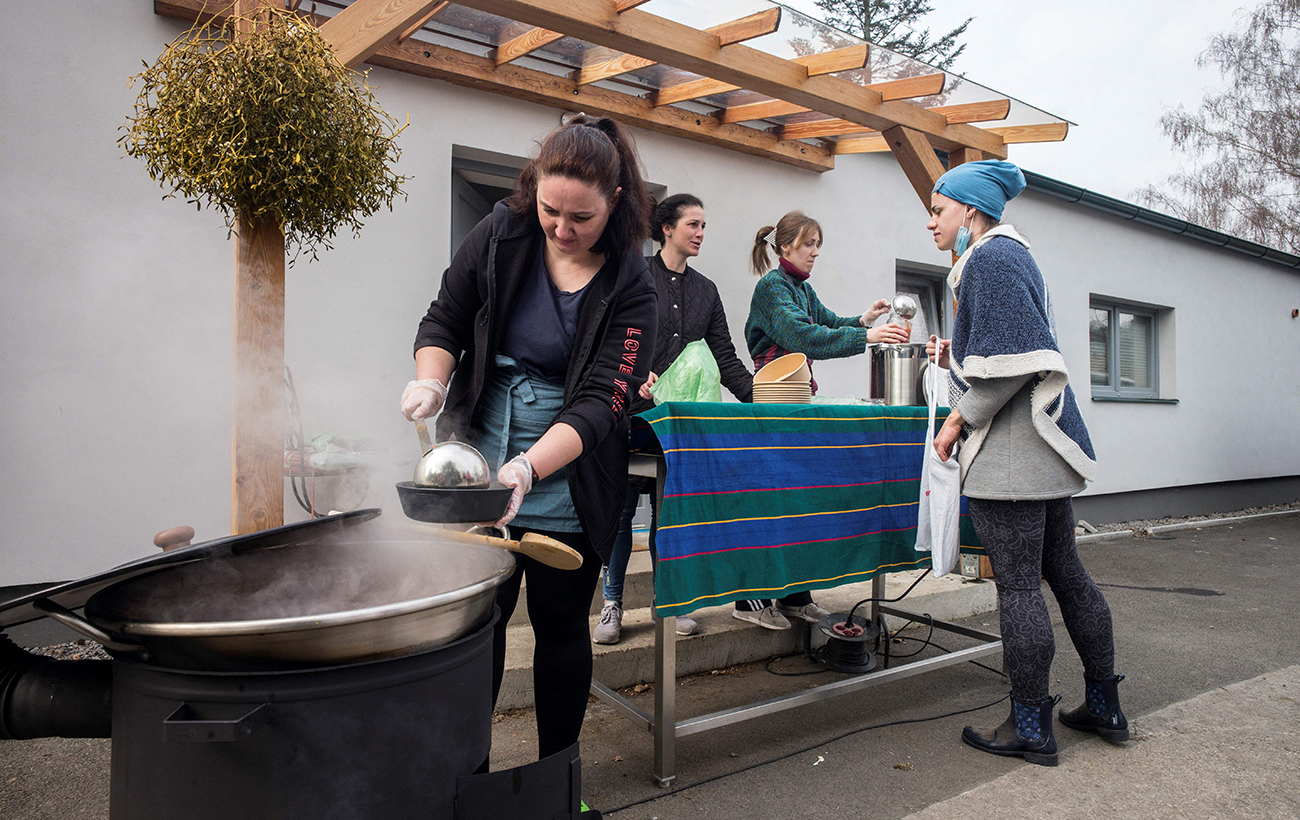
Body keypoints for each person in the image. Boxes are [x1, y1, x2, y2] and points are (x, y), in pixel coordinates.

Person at [401, 114, 657, 764]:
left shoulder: (632, 281)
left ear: (616, 203)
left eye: (581, 219)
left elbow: (607, 399)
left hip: (569, 471)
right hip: (477, 461)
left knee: (560, 622)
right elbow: (446, 317)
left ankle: (556, 784)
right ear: (533, 187)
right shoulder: (500, 234)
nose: (563, 230)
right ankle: (467, 775)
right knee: (477, 625)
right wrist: (431, 382)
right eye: (551, 211)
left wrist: (528, 469)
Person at [925, 159, 1126, 767]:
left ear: (969, 210)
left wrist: (957, 418)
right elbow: (1002, 347)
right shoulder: (1011, 257)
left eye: (938, 211)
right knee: (1065, 574)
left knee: (1018, 587)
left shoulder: (991, 257)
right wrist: (954, 353)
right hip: (1041, 455)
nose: (931, 223)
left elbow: (1012, 361)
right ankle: (1103, 705)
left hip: (1013, 457)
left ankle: (1031, 724)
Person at [736, 210, 910, 630]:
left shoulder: (801, 289)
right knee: (773, 504)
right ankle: (749, 598)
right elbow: (805, 337)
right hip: (775, 408)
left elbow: (829, 324)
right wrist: (867, 337)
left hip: (797, 406)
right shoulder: (772, 288)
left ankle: (796, 595)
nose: (815, 252)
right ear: (785, 247)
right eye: (808, 244)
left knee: (800, 504)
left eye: (818, 245)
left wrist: (863, 321)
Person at [592, 194, 753, 645]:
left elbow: (723, 355)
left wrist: (758, 397)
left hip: (681, 425)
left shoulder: (707, 290)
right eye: (693, 224)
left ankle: (668, 602)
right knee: (622, 513)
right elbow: (609, 337)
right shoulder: (635, 273)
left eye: (704, 225)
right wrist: (632, 374)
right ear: (666, 228)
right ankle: (612, 604)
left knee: (669, 514)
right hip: (630, 413)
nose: (701, 233)